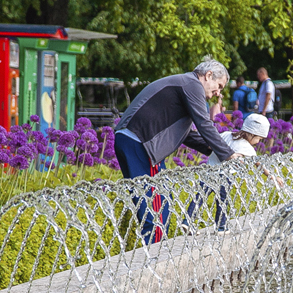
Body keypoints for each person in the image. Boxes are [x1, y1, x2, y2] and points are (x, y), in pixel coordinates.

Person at [114, 56, 242, 243]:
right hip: (140, 143)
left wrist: (215, 151)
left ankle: (151, 254)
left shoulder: (186, 85)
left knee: (161, 203)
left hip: (136, 142)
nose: (218, 93)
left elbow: (188, 135)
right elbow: (204, 125)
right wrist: (229, 154)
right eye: (219, 86)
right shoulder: (192, 85)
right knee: (155, 210)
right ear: (208, 75)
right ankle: (152, 261)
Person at [181, 116, 283, 234]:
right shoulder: (248, 148)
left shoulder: (226, 134)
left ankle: (187, 221)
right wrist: (272, 176)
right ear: (252, 134)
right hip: (224, 176)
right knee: (223, 201)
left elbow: (212, 144)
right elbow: (259, 165)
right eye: (259, 139)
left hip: (208, 171)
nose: (258, 142)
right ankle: (221, 227)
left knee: (199, 197)